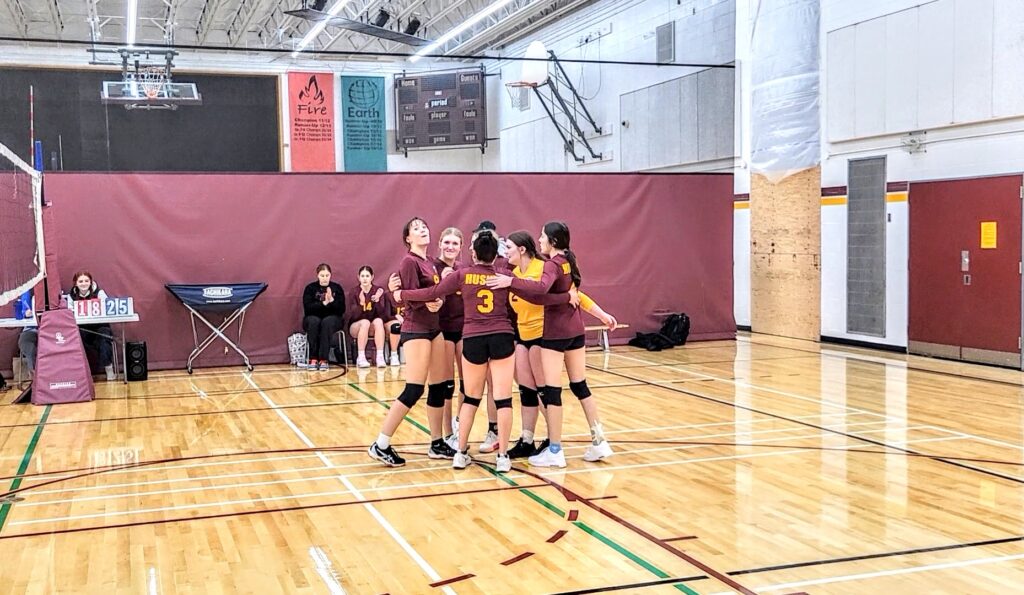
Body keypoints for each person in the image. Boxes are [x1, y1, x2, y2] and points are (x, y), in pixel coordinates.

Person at [394, 230, 565, 472]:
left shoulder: (462, 274)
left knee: (471, 398)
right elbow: (536, 294)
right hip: (502, 337)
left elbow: (431, 293)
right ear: (495, 255)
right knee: (503, 399)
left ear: (473, 253)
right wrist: (565, 296)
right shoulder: (504, 275)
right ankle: (503, 457)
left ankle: (460, 453)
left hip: (473, 338)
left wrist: (400, 294)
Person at [488, 221, 617, 467]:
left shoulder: (547, 265)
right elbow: (565, 294)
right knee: (559, 387)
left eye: (543, 236)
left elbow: (542, 291)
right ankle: (592, 440)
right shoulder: (560, 262)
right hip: (545, 332)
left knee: (551, 391)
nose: (540, 239)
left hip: (550, 333)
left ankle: (555, 447)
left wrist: (511, 283)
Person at [367, 217, 456, 467]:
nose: (423, 229)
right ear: (408, 238)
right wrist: (425, 296)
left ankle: (437, 442)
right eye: (416, 228)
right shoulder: (409, 261)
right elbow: (411, 297)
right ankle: (381, 444)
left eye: (424, 226)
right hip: (416, 329)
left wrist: (439, 301)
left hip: (434, 329)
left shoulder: (430, 262)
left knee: (439, 387)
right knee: (414, 388)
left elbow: (435, 293)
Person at [434, 227, 466, 447]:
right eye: (447, 242)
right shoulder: (432, 268)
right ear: (440, 244)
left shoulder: (463, 270)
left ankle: (460, 423)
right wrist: (442, 283)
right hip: (442, 329)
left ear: (461, 247)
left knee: (467, 382)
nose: (450, 247)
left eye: (455, 243)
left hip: (463, 328)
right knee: (447, 384)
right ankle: (447, 433)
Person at [65, 270, 116, 380]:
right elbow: (69, 313)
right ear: (76, 283)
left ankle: (109, 369)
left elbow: (107, 307)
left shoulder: (100, 293)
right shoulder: (71, 296)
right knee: (76, 337)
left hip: (100, 326)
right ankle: (81, 372)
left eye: (86, 281)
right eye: (81, 281)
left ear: (91, 282)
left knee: (104, 336)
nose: (84, 283)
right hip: (82, 328)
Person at [301, 264, 346, 371]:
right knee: (314, 322)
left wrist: (332, 301)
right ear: (317, 275)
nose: (325, 278)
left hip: (333, 319)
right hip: (313, 318)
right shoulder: (310, 288)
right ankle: (313, 358)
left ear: (330, 275)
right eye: (322, 275)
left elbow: (341, 309)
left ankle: (323, 359)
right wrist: (324, 303)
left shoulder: (337, 288)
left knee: (327, 322)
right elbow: (308, 308)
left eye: (327, 275)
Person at [347, 266, 389, 368]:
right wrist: (361, 304)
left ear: (372, 277)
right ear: (358, 277)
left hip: (372, 326)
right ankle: (361, 357)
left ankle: (380, 357)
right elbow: (353, 315)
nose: (365, 279)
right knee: (365, 322)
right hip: (356, 326)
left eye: (367, 276)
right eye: (362, 276)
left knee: (378, 321)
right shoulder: (354, 292)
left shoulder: (377, 291)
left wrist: (377, 302)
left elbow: (383, 315)